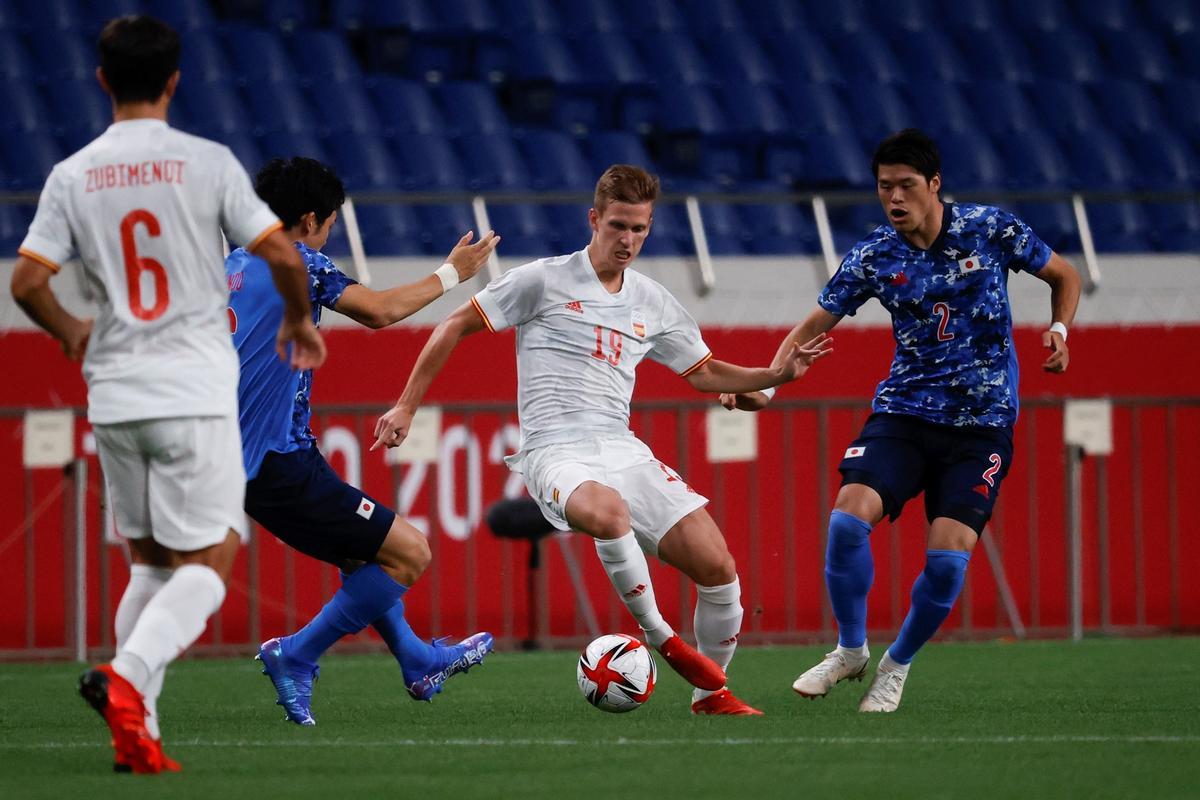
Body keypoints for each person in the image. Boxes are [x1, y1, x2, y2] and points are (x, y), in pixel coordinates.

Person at [372, 165, 832, 715]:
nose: (629, 240)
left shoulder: (652, 300)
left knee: (719, 568)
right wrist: (406, 404)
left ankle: (710, 694)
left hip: (622, 447)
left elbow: (706, 373)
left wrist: (774, 377)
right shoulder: (542, 279)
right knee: (608, 513)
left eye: (640, 229)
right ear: (594, 219)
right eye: (618, 225)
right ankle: (661, 636)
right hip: (554, 449)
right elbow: (452, 326)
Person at [9, 16, 325, 773]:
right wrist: (296, 318)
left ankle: (136, 733)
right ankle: (126, 679)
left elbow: (26, 282)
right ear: (176, 81)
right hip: (190, 388)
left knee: (150, 565)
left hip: (114, 393)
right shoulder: (206, 162)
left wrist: (71, 331)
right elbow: (282, 249)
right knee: (214, 557)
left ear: (101, 80)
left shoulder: (73, 173)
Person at [722, 129, 1081, 713]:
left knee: (945, 561)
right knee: (845, 521)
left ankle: (897, 665)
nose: (894, 197)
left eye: (906, 185)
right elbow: (813, 325)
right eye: (884, 186)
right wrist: (767, 384)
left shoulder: (990, 229)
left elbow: (1065, 275)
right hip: (904, 413)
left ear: (934, 185)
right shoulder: (873, 256)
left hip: (982, 424)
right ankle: (850, 650)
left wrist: (1060, 331)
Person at [227, 157, 500, 725]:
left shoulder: (229, 266)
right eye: (328, 225)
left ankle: (419, 661)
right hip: (279, 462)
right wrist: (453, 273)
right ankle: (296, 654)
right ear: (308, 219)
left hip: (239, 462)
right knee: (410, 553)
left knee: (362, 555)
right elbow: (379, 312)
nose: (327, 236)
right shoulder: (295, 262)